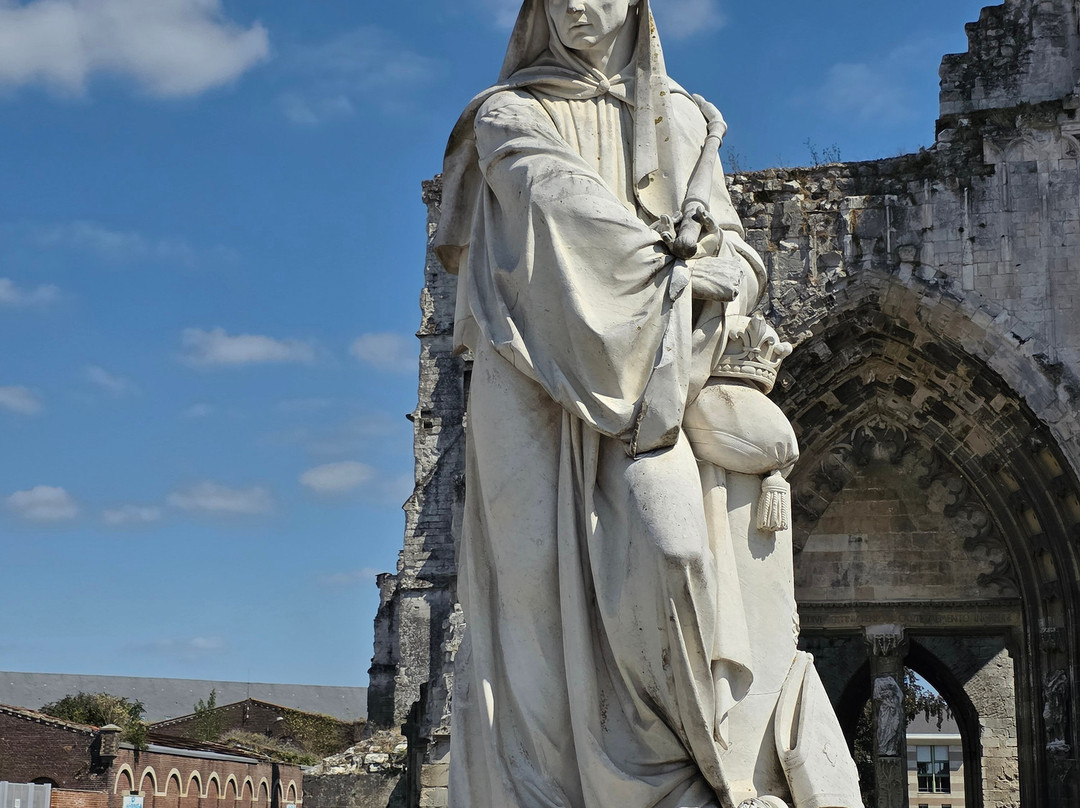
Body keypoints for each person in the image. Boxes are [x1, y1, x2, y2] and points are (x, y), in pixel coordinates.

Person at [434, 1, 863, 806]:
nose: (578, 8)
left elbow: (732, 244)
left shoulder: (690, 121)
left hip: (657, 384)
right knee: (531, 611)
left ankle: (673, 779)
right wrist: (668, 272)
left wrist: (729, 272)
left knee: (669, 563)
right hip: (531, 371)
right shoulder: (506, 114)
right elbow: (558, 206)